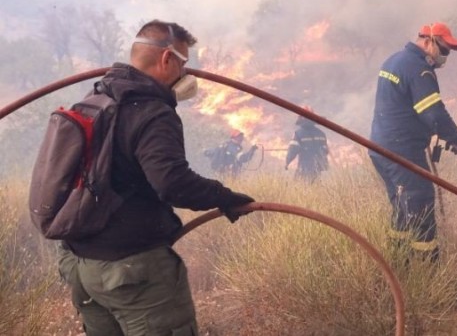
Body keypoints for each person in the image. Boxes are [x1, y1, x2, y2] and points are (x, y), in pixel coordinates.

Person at [57, 20, 255, 335]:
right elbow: (172, 182)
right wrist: (224, 197)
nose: (186, 74)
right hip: (132, 272)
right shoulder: (153, 112)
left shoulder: (96, 100)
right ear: (166, 59)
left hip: (82, 266)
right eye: (184, 63)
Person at [369, 22, 457, 262]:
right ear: (428, 41)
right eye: (444, 50)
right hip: (402, 151)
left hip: (380, 148)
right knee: (421, 201)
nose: (445, 57)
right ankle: (426, 269)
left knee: (402, 205)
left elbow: (404, 108)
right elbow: (433, 112)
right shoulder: (419, 69)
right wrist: (456, 138)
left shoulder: (393, 61)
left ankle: (398, 262)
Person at [285, 112, 330, 183]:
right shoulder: (321, 133)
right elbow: (325, 150)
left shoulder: (298, 133)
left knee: (298, 184)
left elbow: (293, 150)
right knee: (315, 185)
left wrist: (287, 162)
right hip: (318, 166)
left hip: (305, 165)